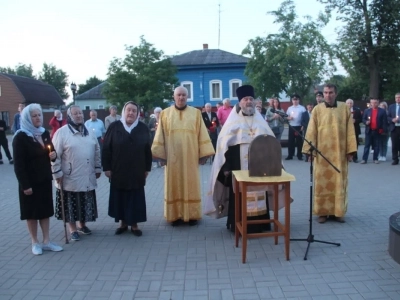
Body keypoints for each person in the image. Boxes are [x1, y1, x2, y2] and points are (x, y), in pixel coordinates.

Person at [204, 85, 274, 232]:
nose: (249, 102)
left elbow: (270, 142)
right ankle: (238, 224)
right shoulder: (232, 122)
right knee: (239, 196)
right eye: (245, 99)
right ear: (240, 102)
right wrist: (227, 167)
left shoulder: (260, 121)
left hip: (259, 167)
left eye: (251, 99)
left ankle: (260, 223)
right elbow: (224, 147)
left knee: (259, 192)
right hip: (238, 167)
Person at [151, 86, 215, 226]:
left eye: (184, 95)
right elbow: (160, 135)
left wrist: (203, 154)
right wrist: (161, 156)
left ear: (187, 97)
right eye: (178, 95)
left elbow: (202, 133)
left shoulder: (196, 113)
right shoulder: (165, 114)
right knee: (174, 184)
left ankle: (192, 215)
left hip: (190, 157)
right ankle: (175, 215)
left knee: (191, 184)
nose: (181, 97)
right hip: (172, 158)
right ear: (174, 97)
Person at [302, 83, 357, 224]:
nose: (328, 95)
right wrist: (309, 151)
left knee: (339, 182)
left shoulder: (344, 108)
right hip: (322, 154)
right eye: (325, 92)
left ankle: (338, 212)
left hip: (339, 153)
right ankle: (322, 212)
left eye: (331, 92)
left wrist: (351, 150)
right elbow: (311, 131)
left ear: (336, 94)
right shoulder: (317, 109)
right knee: (321, 183)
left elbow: (350, 130)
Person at [13, 104, 63, 255]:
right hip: (29, 182)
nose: (38, 118)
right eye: (34, 116)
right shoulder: (21, 137)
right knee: (31, 212)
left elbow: (51, 151)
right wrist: (25, 185)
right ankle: (35, 242)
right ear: (28, 118)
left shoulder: (44, 134)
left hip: (44, 179)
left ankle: (47, 241)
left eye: (39, 115)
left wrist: (53, 156)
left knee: (45, 211)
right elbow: (18, 164)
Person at [51, 105, 102, 241]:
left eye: (80, 113)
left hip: (86, 173)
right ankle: (72, 228)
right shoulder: (61, 133)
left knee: (84, 201)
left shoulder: (89, 132)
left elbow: (97, 150)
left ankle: (82, 225)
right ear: (69, 116)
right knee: (71, 202)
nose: (79, 115)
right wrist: (57, 173)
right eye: (75, 114)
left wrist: (97, 167)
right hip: (69, 175)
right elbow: (55, 155)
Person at [102, 101, 152, 236]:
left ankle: (135, 224)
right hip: (118, 170)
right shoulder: (114, 127)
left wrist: (147, 168)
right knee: (120, 196)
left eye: (134, 111)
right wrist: (106, 167)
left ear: (137, 114)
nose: (131, 113)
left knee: (135, 197)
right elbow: (106, 148)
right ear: (124, 112)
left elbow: (148, 150)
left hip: (137, 170)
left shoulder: (142, 128)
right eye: (128, 110)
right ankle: (123, 223)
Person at [360, 98, 388, 164]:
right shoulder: (367, 110)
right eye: (372, 102)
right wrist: (366, 122)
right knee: (367, 145)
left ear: (378, 103)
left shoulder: (382, 111)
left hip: (377, 130)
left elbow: (384, 121)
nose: (374, 104)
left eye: (375, 102)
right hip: (369, 130)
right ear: (370, 103)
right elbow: (363, 119)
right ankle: (364, 159)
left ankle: (375, 159)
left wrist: (383, 130)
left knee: (376, 145)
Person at [286, 94, 306, 160]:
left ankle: (299, 155)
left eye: (296, 100)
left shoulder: (302, 108)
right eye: (294, 100)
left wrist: (303, 125)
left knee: (299, 142)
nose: (295, 101)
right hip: (292, 126)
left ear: (298, 100)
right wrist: (289, 118)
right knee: (291, 141)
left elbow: (304, 118)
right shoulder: (289, 108)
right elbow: (286, 117)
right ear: (292, 100)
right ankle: (290, 155)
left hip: (299, 126)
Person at [387, 92, 400, 165]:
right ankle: (395, 159)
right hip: (394, 128)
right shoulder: (391, 106)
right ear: (395, 99)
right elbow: (388, 116)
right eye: (397, 98)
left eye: (399, 97)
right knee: (394, 144)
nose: (398, 99)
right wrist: (392, 120)